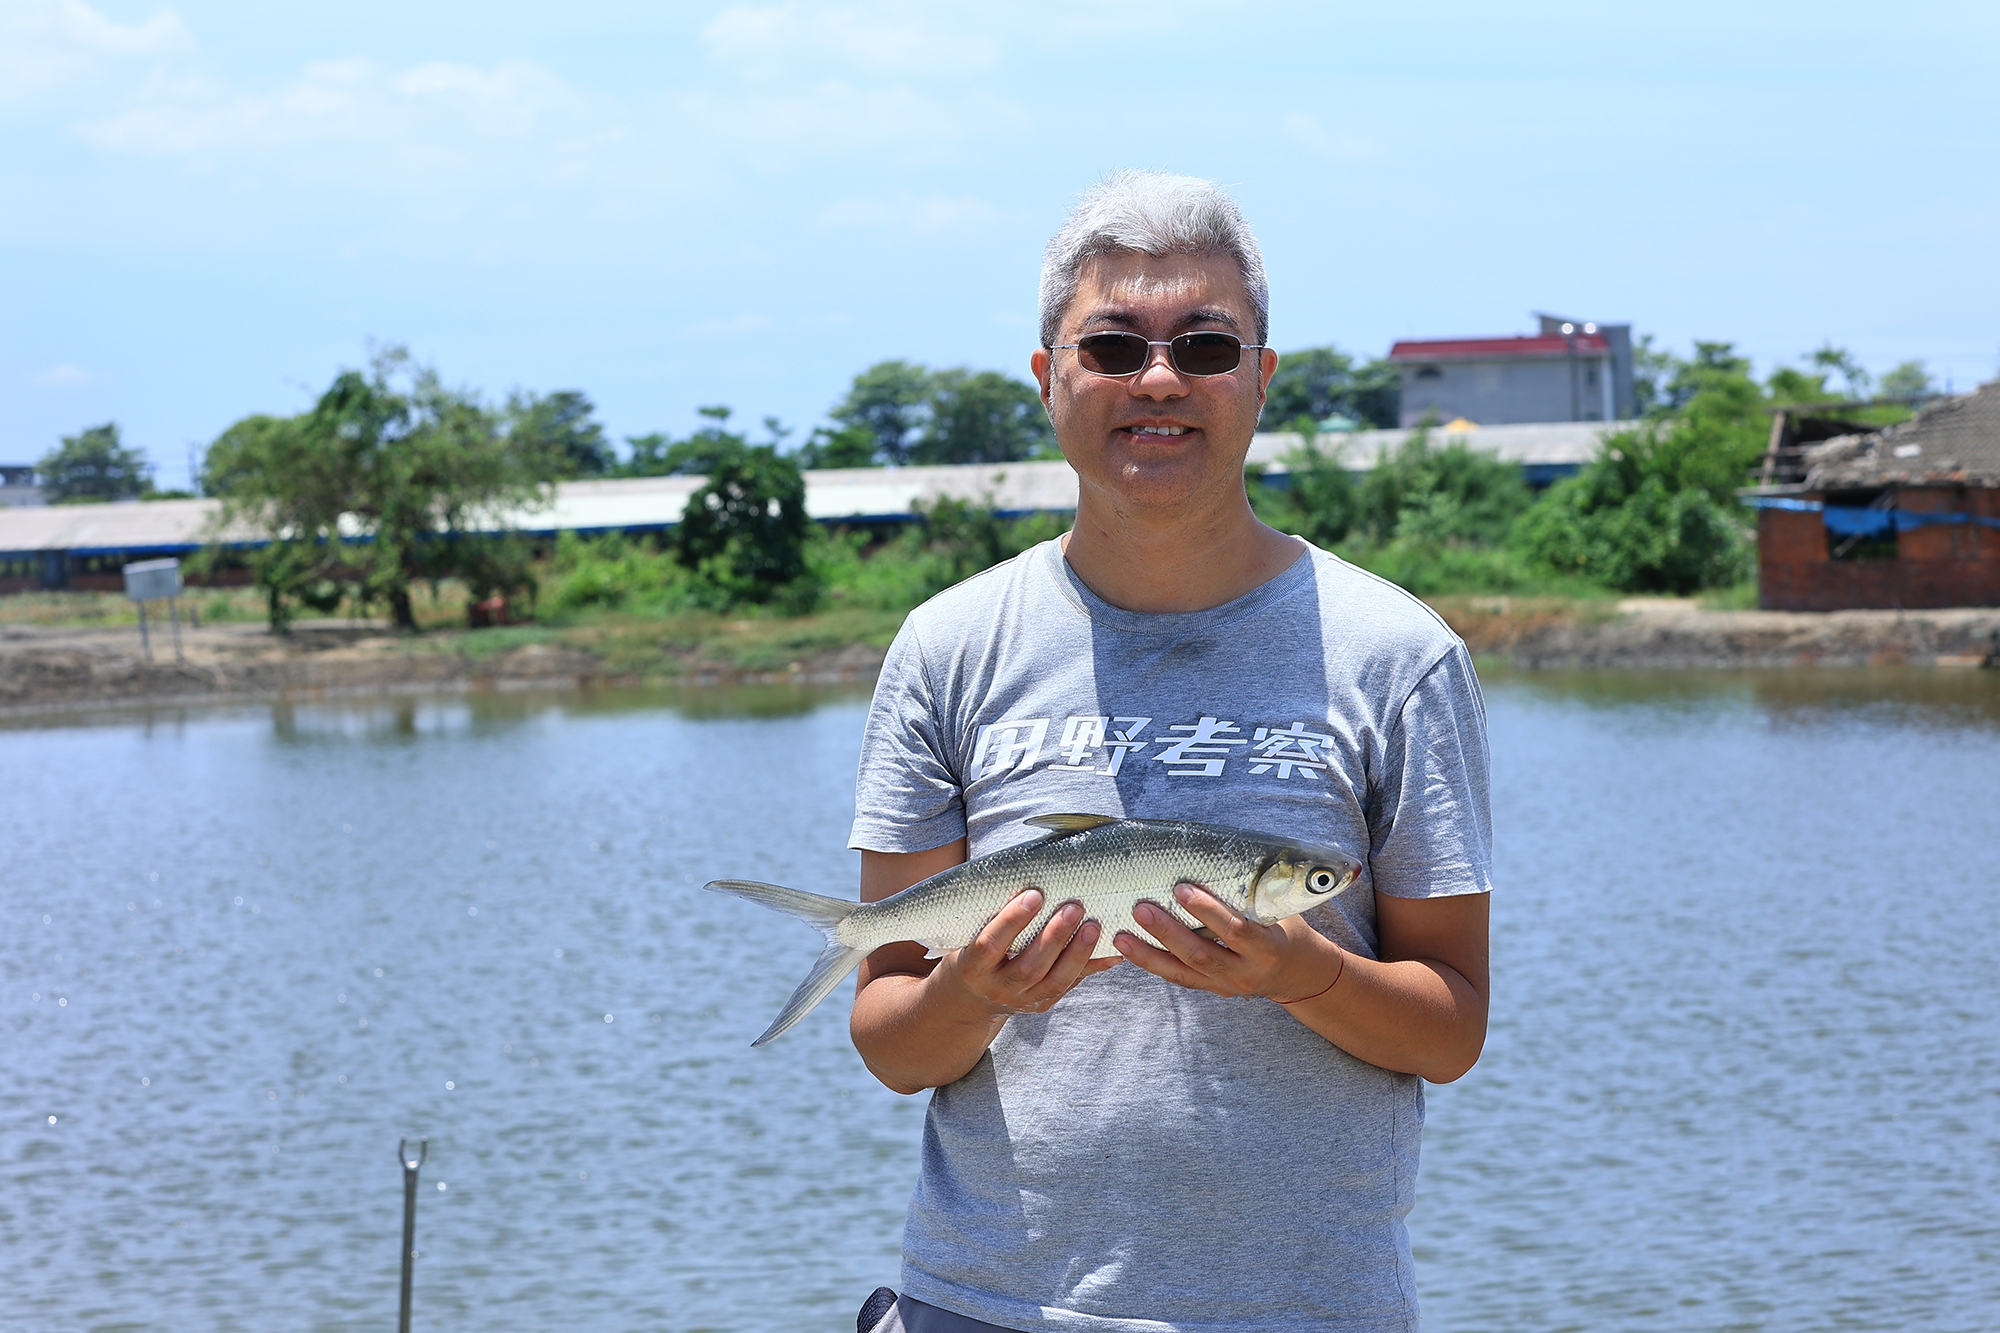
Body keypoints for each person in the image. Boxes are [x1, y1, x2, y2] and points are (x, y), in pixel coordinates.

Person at [846, 171, 1492, 1333]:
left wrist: (1304, 971)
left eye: (1203, 345)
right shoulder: (947, 645)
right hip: (985, 1304)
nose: (1158, 379)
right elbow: (892, 1040)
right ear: (1048, 378)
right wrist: (972, 991)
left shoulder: (1398, 654)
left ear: (1259, 377)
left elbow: (1448, 1027)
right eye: (1111, 346)